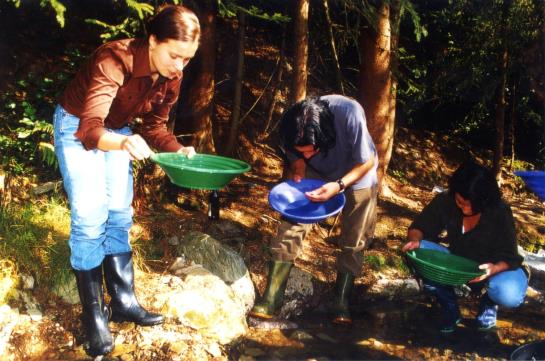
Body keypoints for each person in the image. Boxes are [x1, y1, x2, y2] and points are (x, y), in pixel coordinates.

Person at [53, 5, 200, 357]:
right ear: (152, 40)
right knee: (90, 217)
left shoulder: (172, 76)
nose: (180, 66)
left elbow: (154, 128)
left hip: (117, 131)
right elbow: (89, 131)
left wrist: (177, 150)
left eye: (187, 59)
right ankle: (94, 318)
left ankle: (123, 301)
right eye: (175, 55)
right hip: (76, 125)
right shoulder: (114, 59)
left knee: (119, 213)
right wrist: (122, 143)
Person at [250, 95, 379, 325]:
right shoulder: (293, 124)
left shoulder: (350, 114)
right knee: (292, 223)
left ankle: (341, 300)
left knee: (355, 235)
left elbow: (367, 161)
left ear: (325, 135)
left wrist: (339, 185)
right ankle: (272, 297)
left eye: (311, 150)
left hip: (358, 172)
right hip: (317, 174)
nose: (306, 154)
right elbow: (295, 156)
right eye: (303, 150)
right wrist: (299, 166)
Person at [402, 161, 528, 340]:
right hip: (459, 262)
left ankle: (489, 303)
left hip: (494, 268)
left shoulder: (499, 211)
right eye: (460, 202)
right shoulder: (446, 201)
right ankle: (450, 308)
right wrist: (414, 241)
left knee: (508, 294)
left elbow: (509, 255)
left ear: (484, 200)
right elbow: (419, 228)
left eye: (471, 204)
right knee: (416, 251)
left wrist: (493, 269)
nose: (465, 208)